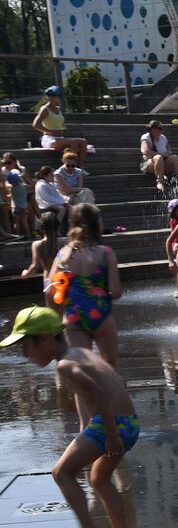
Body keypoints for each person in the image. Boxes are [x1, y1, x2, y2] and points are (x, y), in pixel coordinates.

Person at [2, 306, 140, 528]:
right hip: (128, 422)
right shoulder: (81, 353)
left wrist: (110, 434)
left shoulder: (65, 365)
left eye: (25, 347)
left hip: (112, 425)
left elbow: (100, 393)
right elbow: (115, 383)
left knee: (62, 473)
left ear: (44, 339)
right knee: (99, 478)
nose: (24, 355)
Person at [46, 202, 121, 370]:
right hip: (101, 315)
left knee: (81, 371)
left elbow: (51, 289)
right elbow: (115, 291)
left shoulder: (62, 254)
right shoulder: (106, 253)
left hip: (74, 317)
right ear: (95, 224)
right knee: (111, 367)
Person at [32, 86, 88, 167]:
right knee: (73, 142)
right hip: (49, 139)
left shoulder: (58, 109)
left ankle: (79, 168)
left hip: (60, 138)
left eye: (54, 95)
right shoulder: (45, 109)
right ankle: (72, 167)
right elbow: (35, 125)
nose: (51, 97)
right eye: (49, 94)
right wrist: (52, 132)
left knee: (83, 141)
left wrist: (63, 129)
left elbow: (58, 124)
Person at [139, 121, 178, 194]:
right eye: (159, 128)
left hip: (163, 162)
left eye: (161, 128)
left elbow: (169, 149)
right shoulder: (146, 137)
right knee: (158, 157)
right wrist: (161, 154)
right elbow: (146, 152)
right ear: (152, 129)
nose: (160, 130)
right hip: (149, 163)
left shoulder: (163, 138)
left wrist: (167, 153)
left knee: (175, 157)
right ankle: (160, 182)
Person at [23, 211, 62, 283]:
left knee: (49, 294)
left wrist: (26, 273)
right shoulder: (63, 243)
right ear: (57, 225)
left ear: (41, 227)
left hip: (48, 279)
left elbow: (35, 266)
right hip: (62, 279)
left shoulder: (37, 245)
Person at [3, 152, 33, 238]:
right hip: (23, 204)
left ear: (14, 162)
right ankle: (29, 234)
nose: (6, 165)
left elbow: (31, 185)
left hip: (16, 205)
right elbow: (5, 184)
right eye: (4, 163)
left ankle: (18, 236)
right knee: (24, 221)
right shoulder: (4, 172)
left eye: (9, 163)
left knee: (17, 222)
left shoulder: (22, 170)